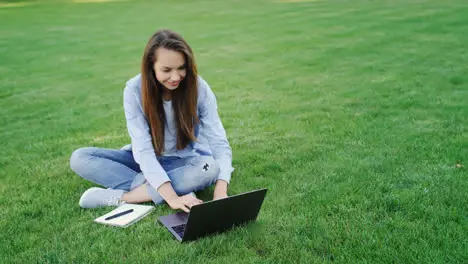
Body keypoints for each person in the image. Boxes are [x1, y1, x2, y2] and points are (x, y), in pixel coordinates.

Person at [70, 29, 234, 213]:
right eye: (166, 70)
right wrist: (172, 197)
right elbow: (143, 151)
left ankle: (126, 196)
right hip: (143, 158)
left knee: (209, 169)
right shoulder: (134, 90)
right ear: (151, 66)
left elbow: (219, 142)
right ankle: (164, 187)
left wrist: (221, 191)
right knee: (80, 157)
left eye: (181, 68)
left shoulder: (198, 87)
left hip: (183, 161)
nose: (175, 77)